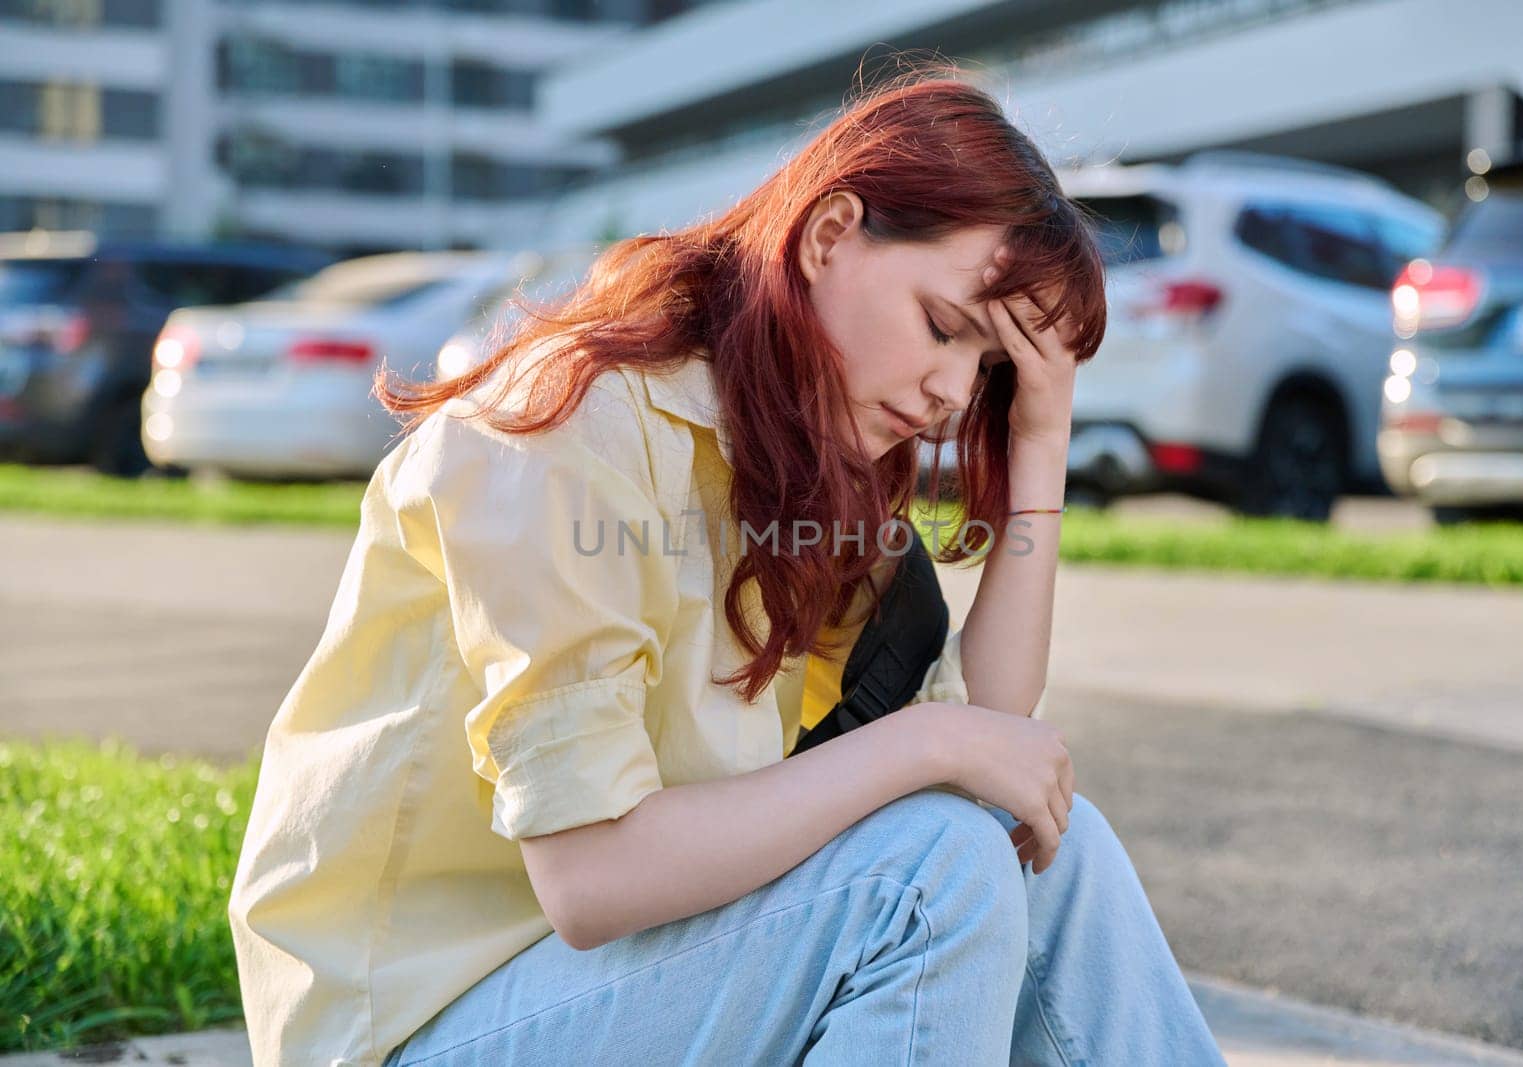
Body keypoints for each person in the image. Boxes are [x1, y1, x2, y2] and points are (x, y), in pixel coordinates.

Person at [228, 64, 1228, 1066]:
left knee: (1049, 850)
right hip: (420, 1029)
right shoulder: (570, 426)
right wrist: (925, 743)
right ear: (829, 234)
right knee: (932, 872)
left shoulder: (796, 451)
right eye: (942, 329)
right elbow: (591, 876)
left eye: (988, 371)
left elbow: (995, 737)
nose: (949, 395)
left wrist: (1040, 433)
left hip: (637, 986)